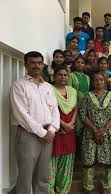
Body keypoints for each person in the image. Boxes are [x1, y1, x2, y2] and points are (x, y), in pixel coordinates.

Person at [10, 51, 60, 194]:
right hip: (28, 135)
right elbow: (21, 114)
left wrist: (51, 130)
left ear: (43, 65)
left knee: (43, 176)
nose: (36, 66)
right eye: (32, 62)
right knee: (25, 176)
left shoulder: (48, 87)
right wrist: (42, 132)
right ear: (26, 65)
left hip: (48, 135)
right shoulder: (19, 85)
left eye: (39, 63)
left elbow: (54, 110)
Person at [80, 71, 111, 194]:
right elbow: (83, 115)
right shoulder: (87, 96)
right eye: (96, 80)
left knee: (107, 161)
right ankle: (88, 187)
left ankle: (106, 187)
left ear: (105, 81)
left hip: (108, 133)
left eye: (101, 79)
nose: (99, 82)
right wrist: (95, 129)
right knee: (89, 160)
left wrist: (104, 129)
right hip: (90, 134)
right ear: (93, 82)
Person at [48, 65, 78, 194]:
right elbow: (47, 110)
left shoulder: (72, 91)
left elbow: (76, 108)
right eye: (60, 74)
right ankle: (50, 190)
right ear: (54, 76)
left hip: (69, 131)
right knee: (51, 161)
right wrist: (63, 124)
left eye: (65, 75)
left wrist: (71, 123)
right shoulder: (48, 89)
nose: (63, 77)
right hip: (54, 130)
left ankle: (63, 191)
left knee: (67, 162)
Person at [68, 56, 91, 137]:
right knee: (76, 126)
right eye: (78, 62)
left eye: (82, 63)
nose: (80, 64)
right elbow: (69, 90)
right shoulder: (71, 75)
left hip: (86, 104)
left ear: (84, 65)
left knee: (85, 125)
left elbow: (88, 91)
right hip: (75, 103)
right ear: (74, 64)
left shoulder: (87, 77)